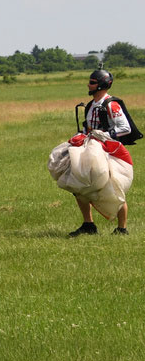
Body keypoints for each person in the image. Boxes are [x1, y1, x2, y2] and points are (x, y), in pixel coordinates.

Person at [69, 69, 139, 237]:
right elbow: (88, 126)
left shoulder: (111, 104)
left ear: (101, 85)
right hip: (91, 150)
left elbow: (125, 128)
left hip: (109, 152)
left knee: (113, 187)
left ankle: (122, 229)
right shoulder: (91, 105)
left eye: (92, 82)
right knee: (80, 185)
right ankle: (88, 225)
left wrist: (104, 136)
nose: (88, 84)